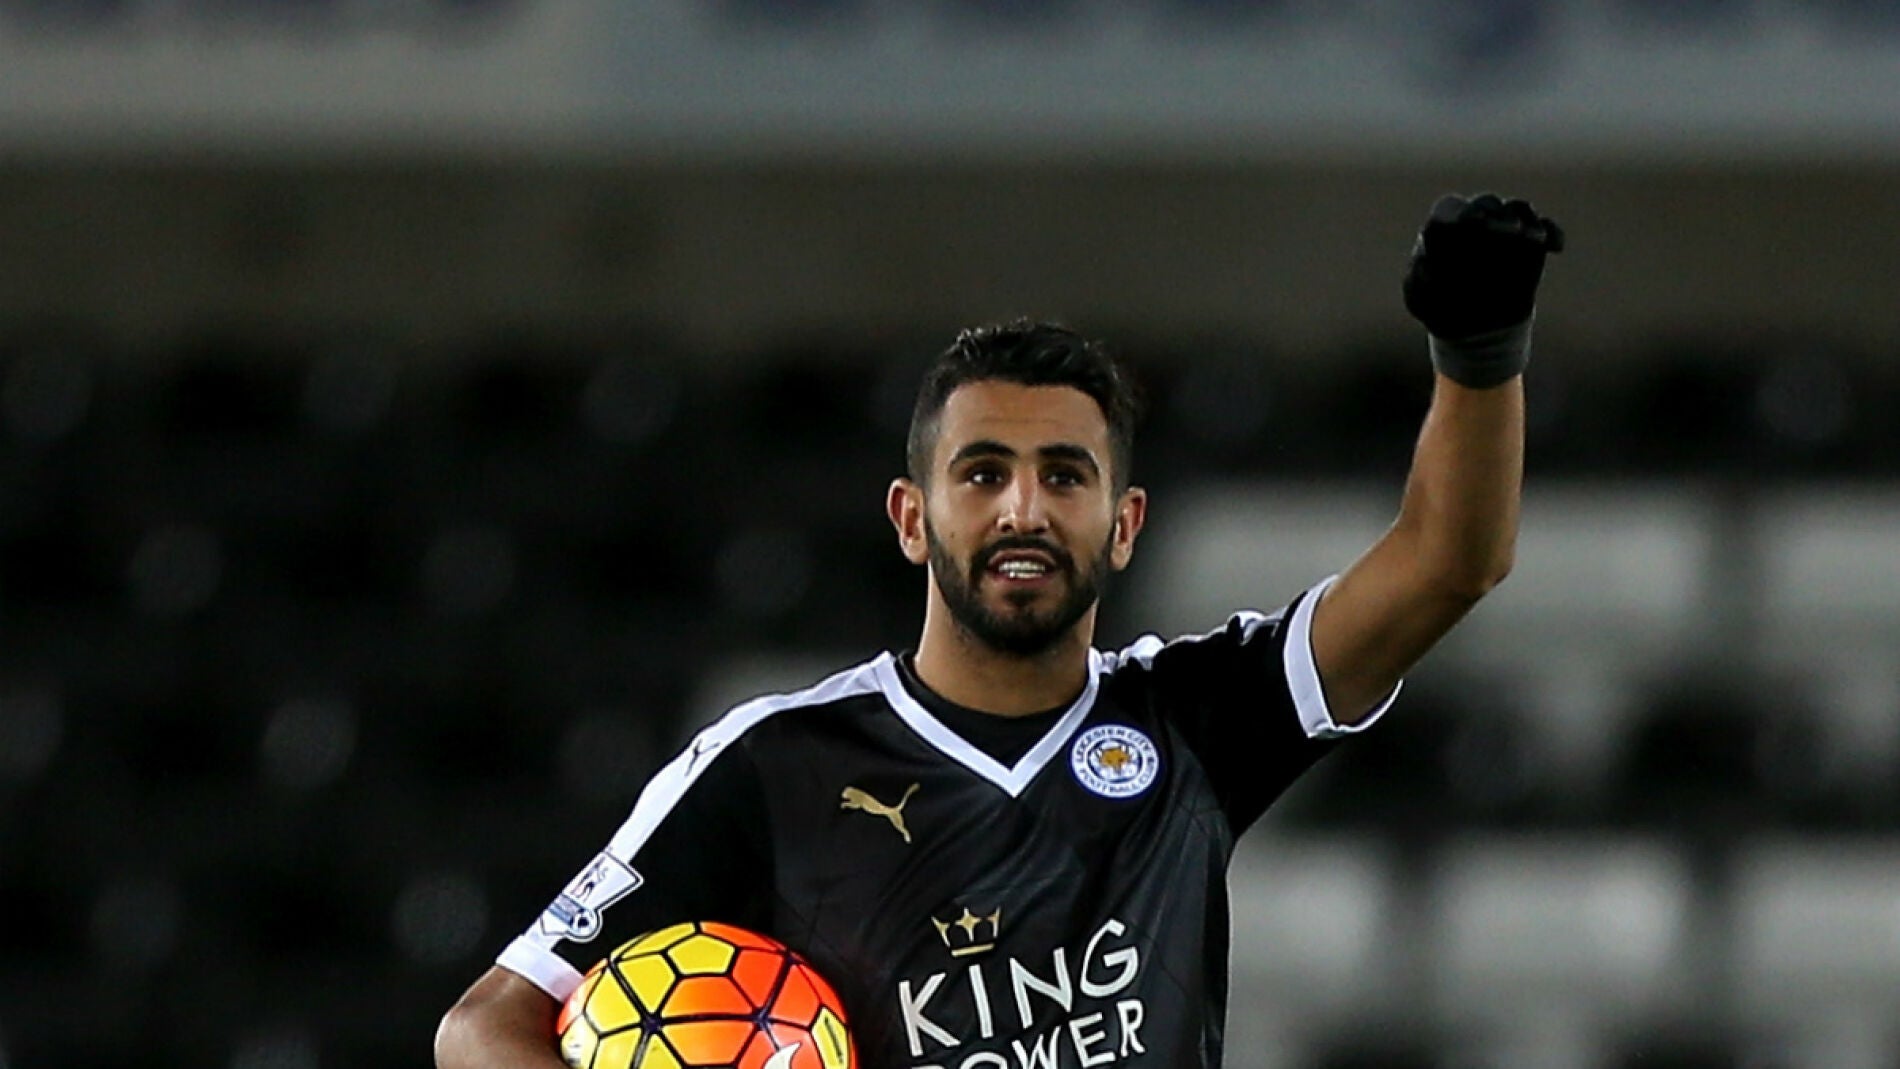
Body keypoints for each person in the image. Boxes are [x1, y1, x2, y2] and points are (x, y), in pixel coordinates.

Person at [434, 193, 1564, 1069]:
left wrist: (1479, 353)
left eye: (1064, 475)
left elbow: (1447, 563)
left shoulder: (1193, 720)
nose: (1023, 508)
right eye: (982, 473)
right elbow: (484, 1029)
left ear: (1124, 525)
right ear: (910, 518)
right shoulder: (775, 764)